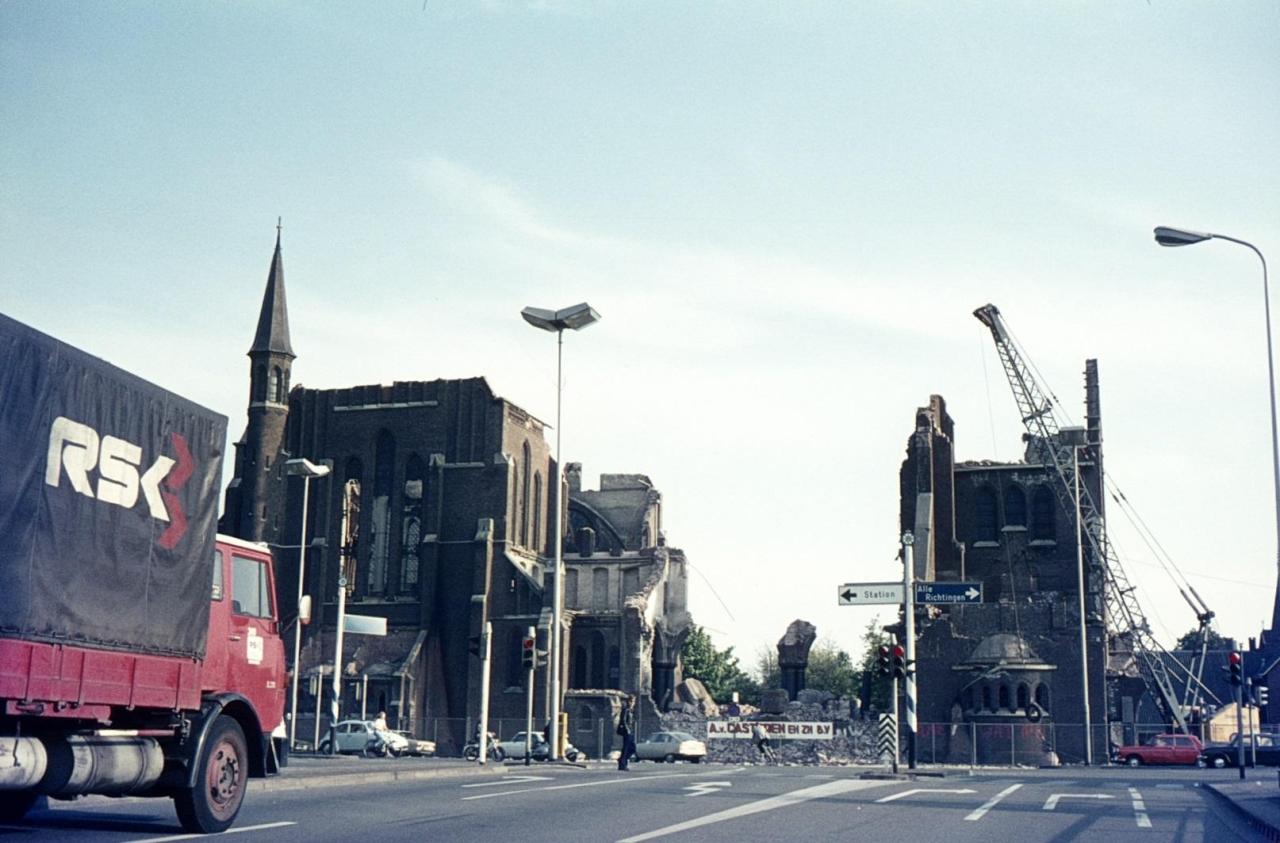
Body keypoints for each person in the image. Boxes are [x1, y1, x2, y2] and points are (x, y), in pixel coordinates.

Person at [616, 697, 636, 771]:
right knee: (626, 748)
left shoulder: (631, 711)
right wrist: (627, 730)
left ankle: (621, 760)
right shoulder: (625, 710)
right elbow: (623, 720)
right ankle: (622, 765)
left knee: (632, 748)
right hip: (627, 732)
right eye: (632, 701)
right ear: (629, 702)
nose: (633, 703)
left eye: (633, 701)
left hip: (630, 731)